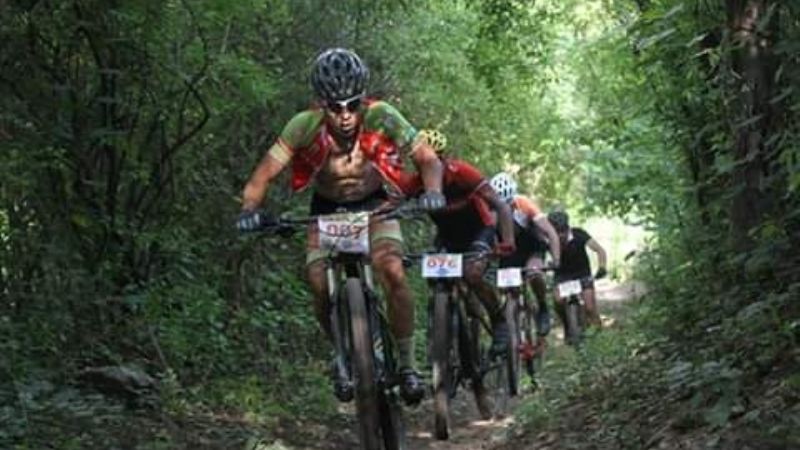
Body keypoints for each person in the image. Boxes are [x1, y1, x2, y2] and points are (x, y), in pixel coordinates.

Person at [236, 48, 445, 404]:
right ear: (321, 103)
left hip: (375, 205)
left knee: (392, 271)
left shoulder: (383, 116)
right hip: (327, 209)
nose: (345, 115)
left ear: (364, 99)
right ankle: (343, 355)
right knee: (318, 282)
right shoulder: (303, 126)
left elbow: (427, 159)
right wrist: (248, 210)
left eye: (353, 105)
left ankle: (408, 366)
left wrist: (434, 192)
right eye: (335, 107)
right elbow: (264, 174)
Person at [399, 130, 516, 352]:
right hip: (448, 236)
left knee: (472, 274)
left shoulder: (462, 172)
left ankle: (498, 320)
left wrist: (507, 241)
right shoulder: (415, 183)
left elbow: (500, 206)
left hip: (479, 231)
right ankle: (445, 321)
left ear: (441, 158)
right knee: (436, 279)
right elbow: (393, 211)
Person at [489, 173, 561, 336]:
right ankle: (510, 334)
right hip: (509, 252)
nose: (504, 210)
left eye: (508, 205)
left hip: (532, 247)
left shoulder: (524, 203)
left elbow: (551, 233)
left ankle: (542, 307)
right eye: (499, 205)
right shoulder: (489, 209)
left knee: (534, 274)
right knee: (508, 291)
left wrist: (556, 259)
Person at [547, 210, 608, 329]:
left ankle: (600, 336)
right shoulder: (547, 239)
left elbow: (600, 250)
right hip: (562, 276)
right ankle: (566, 324)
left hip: (582, 274)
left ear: (568, 227)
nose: (560, 235)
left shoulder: (579, 234)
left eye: (563, 231)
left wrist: (602, 267)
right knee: (558, 301)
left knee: (590, 308)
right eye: (556, 232)